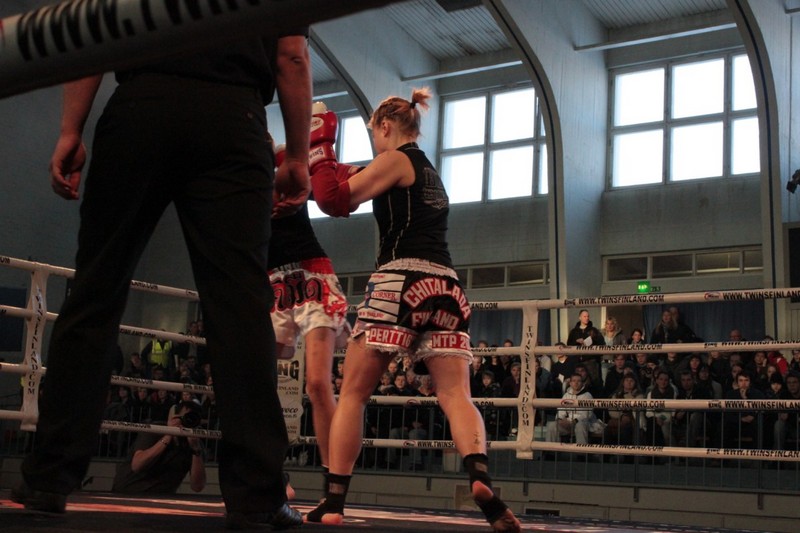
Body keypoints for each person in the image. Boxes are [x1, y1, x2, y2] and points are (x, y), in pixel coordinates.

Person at [12, 32, 312, 530]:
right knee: (240, 309)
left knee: (95, 293)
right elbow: (292, 55)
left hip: (141, 105)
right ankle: (258, 495)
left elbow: (92, 33)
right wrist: (298, 157)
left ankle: (48, 478)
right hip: (233, 119)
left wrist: (70, 129)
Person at [303, 89, 520, 532]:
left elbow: (333, 200)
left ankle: (334, 500)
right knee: (456, 394)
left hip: (400, 279)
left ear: (385, 126)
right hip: (447, 288)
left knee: (354, 394)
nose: (374, 145)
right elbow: (341, 182)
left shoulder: (394, 159)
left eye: (373, 135)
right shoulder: (427, 171)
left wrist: (319, 147)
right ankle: (480, 476)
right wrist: (316, 166)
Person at [267, 106, 350, 493]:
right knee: (258, 380)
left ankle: (335, 484)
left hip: (311, 273)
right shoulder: (230, 179)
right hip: (272, 282)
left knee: (317, 383)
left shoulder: (288, 161)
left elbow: (322, 187)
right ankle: (271, 473)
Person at [112, 401, 206, 494]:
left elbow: (197, 487)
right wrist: (168, 435)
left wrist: (195, 450)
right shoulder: (155, 430)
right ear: (176, 417)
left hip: (161, 497)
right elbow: (137, 465)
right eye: (186, 417)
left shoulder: (195, 444)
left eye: (194, 419)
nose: (189, 422)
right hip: (129, 490)